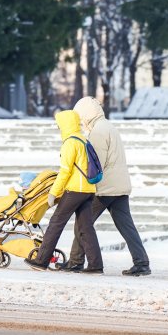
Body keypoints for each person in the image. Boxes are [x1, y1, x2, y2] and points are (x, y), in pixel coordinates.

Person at [58, 97, 151, 276]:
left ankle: (76, 261)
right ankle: (142, 262)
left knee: (83, 223)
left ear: (86, 114)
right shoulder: (108, 126)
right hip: (120, 185)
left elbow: (95, 164)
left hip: (105, 188)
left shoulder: (98, 132)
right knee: (126, 226)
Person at [24, 110, 103, 274]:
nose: (58, 128)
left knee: (56, 223)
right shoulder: (83, 139)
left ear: (65, 124)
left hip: (75, 190)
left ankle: (41, 260)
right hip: (89, 189)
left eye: (59, 125)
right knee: (86, 227)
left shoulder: (70, 143)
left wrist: (53, 193)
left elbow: (65, 171)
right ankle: (96, 265)